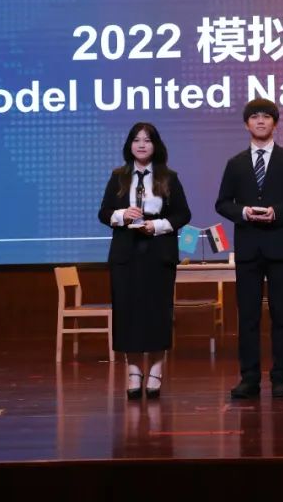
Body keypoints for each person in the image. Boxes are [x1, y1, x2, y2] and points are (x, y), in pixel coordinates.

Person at [215, 99, 283, 399]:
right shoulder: (235, 163)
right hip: (248, 248)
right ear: (246, 124)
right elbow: (222, 203)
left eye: (266, 117)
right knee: (248, 317)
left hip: (281, 246)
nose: (260, 121)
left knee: (282, 315)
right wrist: (244, 212)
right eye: (255, 117)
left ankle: (281, 377)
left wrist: (278, 212)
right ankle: (249, 378)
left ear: (275, 123)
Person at [98, 122, 191, 400]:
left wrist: (157, 225)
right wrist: (121, 215)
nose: (141, 145)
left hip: (158, 253)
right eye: (136, 140)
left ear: (155, 145)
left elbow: (183, 214)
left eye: (147, 140)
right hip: (126, 253)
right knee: (127, 313)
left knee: (157, 312)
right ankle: (134, 371)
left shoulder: (169, 177)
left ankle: (157, 369)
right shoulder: (119, 177)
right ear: (129, 145)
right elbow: (104, 213)